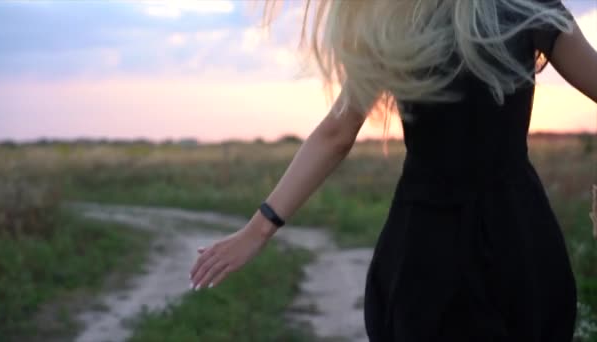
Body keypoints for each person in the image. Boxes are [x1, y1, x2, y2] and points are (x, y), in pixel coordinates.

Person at [190, 0, 597, 340]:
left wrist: (258, 229)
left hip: (426, 245)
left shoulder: (400, 19)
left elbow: (337, 132)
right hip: (517, 238)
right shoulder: (527, 6)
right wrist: (258, 229)